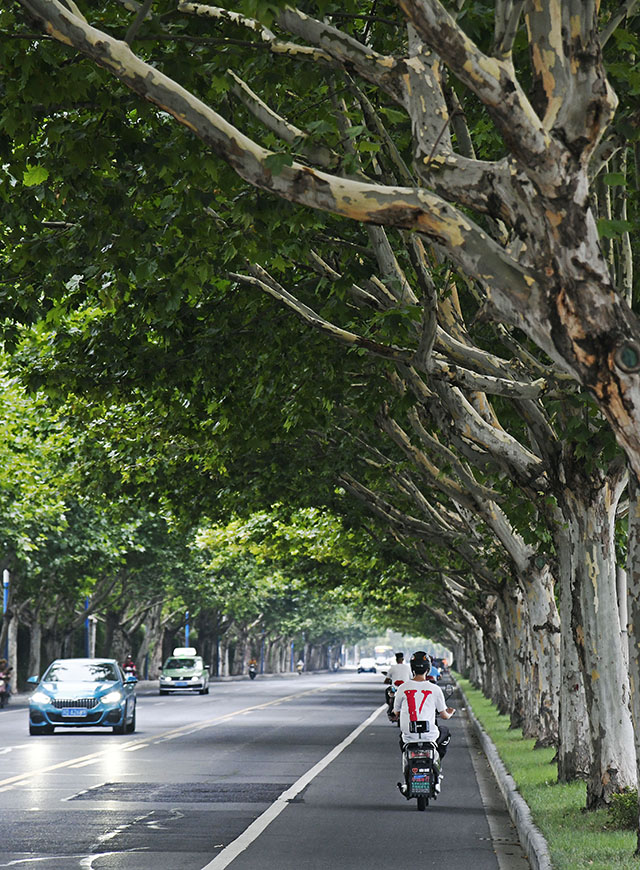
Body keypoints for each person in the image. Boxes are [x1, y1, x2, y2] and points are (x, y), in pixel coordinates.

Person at [391, 650, 455, 760]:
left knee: (401, 740)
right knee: (445, 732)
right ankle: (437, 760)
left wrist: (396, 714)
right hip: (430, 736)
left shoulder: (402, 688)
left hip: (409, 737)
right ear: (428, 669)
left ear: (412, 669)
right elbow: (444, 716)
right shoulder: (435, 689)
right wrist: (450, 713)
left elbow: (395, 712)